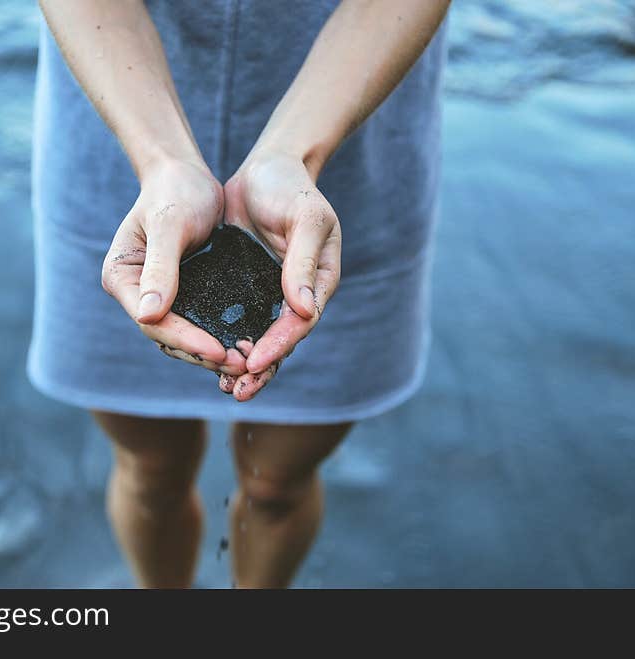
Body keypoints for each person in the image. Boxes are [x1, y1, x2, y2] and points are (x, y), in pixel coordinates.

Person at [29, 0, 450, 588]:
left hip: (351, 141)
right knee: (150, 468)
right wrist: (161, 161)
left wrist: (294, 154)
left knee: (278, 484)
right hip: (121, 129)